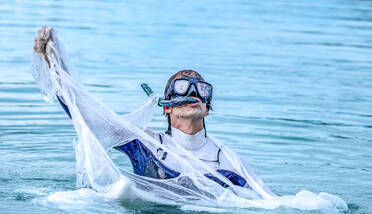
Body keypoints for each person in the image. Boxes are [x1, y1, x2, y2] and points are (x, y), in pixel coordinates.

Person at [32, 27, 274, 200]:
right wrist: (54, 62)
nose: (193, 92)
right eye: (182, 86)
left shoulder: (229, 160)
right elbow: (87, 115)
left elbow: (268, 202)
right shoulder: (144, 142)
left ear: (207, 109)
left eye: (201, 89)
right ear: (167, 107)